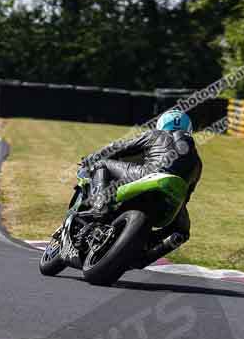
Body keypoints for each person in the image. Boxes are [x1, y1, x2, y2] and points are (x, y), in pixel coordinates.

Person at [79, 109, 202, 268]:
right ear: (188, 130)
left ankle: (99, 207)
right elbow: (186, 196)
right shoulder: (198, 161)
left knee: (101, 165)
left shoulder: (156, 135)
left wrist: (91, 158)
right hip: (174, 193)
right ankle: (146, 252)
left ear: (162, 124)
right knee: (182, 231)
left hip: (149, 174)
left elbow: (120, 147)